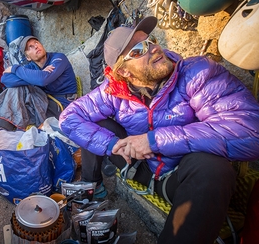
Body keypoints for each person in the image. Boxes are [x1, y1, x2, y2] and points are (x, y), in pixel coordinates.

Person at [59, 16, 259, 244]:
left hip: (180, 177)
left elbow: (251, 132)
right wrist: (112, 145)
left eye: (150, 41)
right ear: (124, 72)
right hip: (140, 167)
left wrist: (154, 140)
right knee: (98, 126)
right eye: (138, 49)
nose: (153, 48)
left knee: (213, 168)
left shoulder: (197, 73)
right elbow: (69, 118)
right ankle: (91, 191)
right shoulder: (114, 90)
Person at [0, 35, 78, 146]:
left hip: (62, 104)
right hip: (42, 101)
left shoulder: (58, 58)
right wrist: (36, 76)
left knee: (19, 91)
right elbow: (6, 80)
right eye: (30, 47)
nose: (35, 47)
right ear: (28, 57)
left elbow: (43, 80)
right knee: (16, 90)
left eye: (36, 43)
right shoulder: (32, 66)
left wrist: (15, 69)